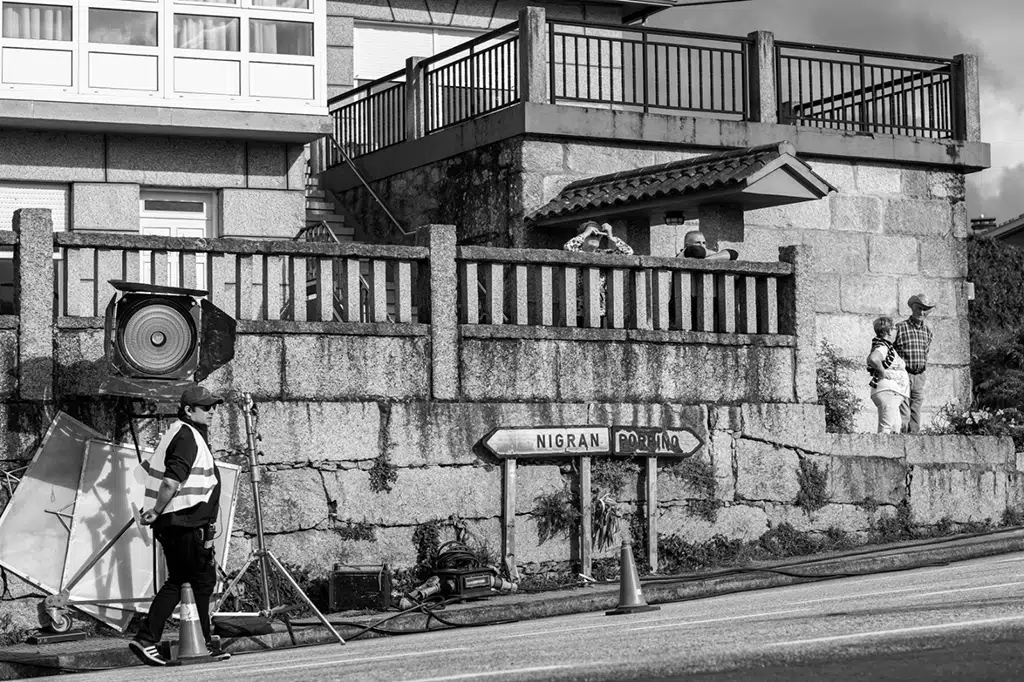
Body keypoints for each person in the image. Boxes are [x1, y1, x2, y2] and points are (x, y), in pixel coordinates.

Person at [130, 385, 226, 667]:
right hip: (181, 523)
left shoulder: (184, 432)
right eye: (205, 407)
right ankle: (146, 639)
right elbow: (172, 481)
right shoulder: (186, 437)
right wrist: (156, 510)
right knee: (180, 581)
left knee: (202, 581)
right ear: (188, 410)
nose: (212, 412)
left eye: (213, 407)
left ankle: (204, 643)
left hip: (183, 523)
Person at [563, 220, 633, 326]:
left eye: (598, 236)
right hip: (578, 307)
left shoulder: (604, 254)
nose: (595, 237)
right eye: (592, 235)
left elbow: (628, 252)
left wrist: (611, 237)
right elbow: (568, 247)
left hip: (599, 307)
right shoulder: (577, 253)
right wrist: (586, 233)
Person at [892, 293, 935, 434]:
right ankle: (901, 440)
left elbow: (925, 352)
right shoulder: (900, 328)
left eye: (925, 309)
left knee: (916, 409)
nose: (921, 312)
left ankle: (914, 439)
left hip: (919, 375)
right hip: (903, 375)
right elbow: (889, 350)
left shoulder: (927, 332)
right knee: (903, 410)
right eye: (919, 308)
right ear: (913, 308)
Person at [867, 316, 910, 434]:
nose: (897, 331)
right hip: (888, 391)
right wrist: (882, 372)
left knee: (895, 428)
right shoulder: (883, 346)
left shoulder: (886, 346)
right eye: (895, 328)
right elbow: (874, 359)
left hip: (893, 393)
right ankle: (881, 451)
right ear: (890, 330)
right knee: (886, 429)